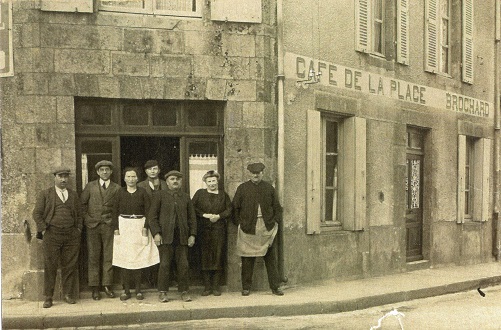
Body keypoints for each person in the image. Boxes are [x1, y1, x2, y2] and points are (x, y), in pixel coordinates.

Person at [32, 167, 83, 308]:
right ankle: (48, 297)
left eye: (66, 176)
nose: (63, 179)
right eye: (60, 176)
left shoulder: (73, 195)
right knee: (50, 266)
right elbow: (37, 214)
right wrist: (44, 229)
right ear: (55, 177)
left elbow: (80, 214)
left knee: (70, 265)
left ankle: (68, 294)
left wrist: (78, 229)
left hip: (71, 236)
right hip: (52, 235)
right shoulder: (46, 194)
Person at [233, 162, 284, 296]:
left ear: (262, 173)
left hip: (267, 228)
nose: (255, 175)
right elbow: (235, 208)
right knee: (247, 259)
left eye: (258, 173)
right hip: (248, 228)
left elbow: (278, 208)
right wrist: (240, 223)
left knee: (270, 258)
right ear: (249, 174)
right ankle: (246, 287)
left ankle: (275, 287)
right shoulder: (242, 188)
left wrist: (273, 222)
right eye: (253, 173)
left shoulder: (269, 188)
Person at [148, 170, 197, 303]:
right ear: (167, 182)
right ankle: (163, 292)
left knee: (183, 265)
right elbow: (152, 217)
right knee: (164, 265)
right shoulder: (159, 196)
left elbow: (192, 218)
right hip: (165, 237)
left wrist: (192, 235)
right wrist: (156, 233)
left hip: (182, 237)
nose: (175, 181)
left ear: (181, 182)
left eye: (178, 179)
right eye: (172, 179)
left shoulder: (185, 197)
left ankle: (184, 291)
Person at [112, 167, 159, 301]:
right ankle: (126, 290)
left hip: (139, 226)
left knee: (138, 259)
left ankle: (138, 290)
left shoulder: (143, 192)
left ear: (137, 178)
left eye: (133, 177)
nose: (131, 179)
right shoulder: (119, 192)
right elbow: (114, 211)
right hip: (124, 227)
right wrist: (116, 229)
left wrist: (145, 227)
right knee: (125, 260)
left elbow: (149, 212)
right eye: (128, 177)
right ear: (124, 178)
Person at [80, 160, 120, 300]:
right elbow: (82, 205)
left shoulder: (116, 188)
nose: (104, 172)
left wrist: (114, 223)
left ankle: (107, 285)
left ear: (111, 172)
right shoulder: (90, 186)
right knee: (93, 257)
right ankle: (95, 287)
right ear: (97, 172)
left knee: (109, 256)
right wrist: (87, 219)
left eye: (107, 170)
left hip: (108, 226)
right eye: (102, 170)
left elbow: (119, 208)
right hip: (93, 226)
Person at [192, 170, 232, 296]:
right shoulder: (200, 194)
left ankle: (216, 287)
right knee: (205, 257)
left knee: (218, 256)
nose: (212, 184)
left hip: (218, 229)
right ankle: (207, 287)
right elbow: (192, 208)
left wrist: (219, 216)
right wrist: (204, 215)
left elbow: (229, 209)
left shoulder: (223, 195)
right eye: (209, 181)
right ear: (205, 182)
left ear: (217, 181)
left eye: (214, 181)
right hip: (203, 229)